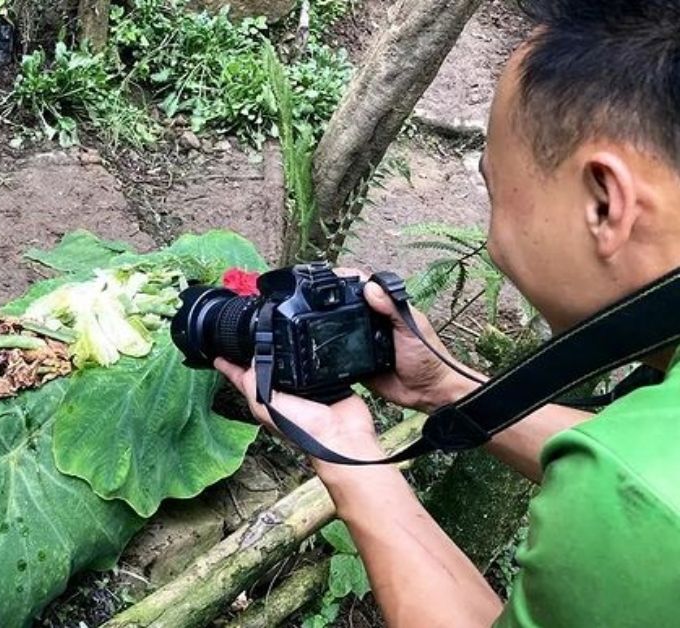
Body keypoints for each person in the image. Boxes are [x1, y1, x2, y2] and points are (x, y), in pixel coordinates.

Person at [217, 1, 680, 626]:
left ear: (605, 203)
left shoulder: (639, 496)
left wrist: (347, 458)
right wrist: (446, 388)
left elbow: (630, 489)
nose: (494, 237)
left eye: (495, 188)